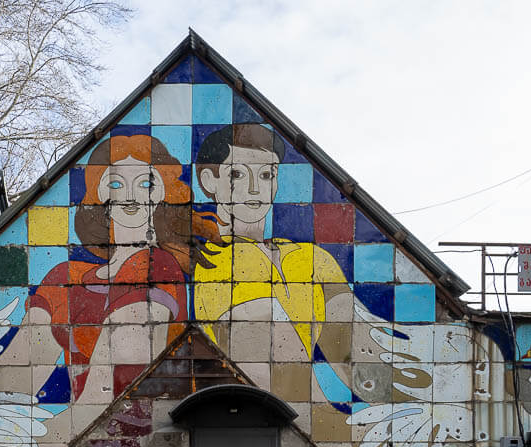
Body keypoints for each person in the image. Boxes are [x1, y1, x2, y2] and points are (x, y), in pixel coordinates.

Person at [24, 134, 219, 401]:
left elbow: (106, 391)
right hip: (73, 427)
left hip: (137, 428)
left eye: (145, 183)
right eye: (116, 183)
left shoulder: (158, 267)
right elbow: (17, 379)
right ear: (100, 193)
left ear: (161, 192)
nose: (130, 196)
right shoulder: (66, 276)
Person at [193, 123, 351, 368]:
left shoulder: (309, 256)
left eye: (267, 175)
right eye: (237, 174)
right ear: (209, 181)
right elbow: (284, 376)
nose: (255, 188)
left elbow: (356, 353)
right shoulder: (219, 261)